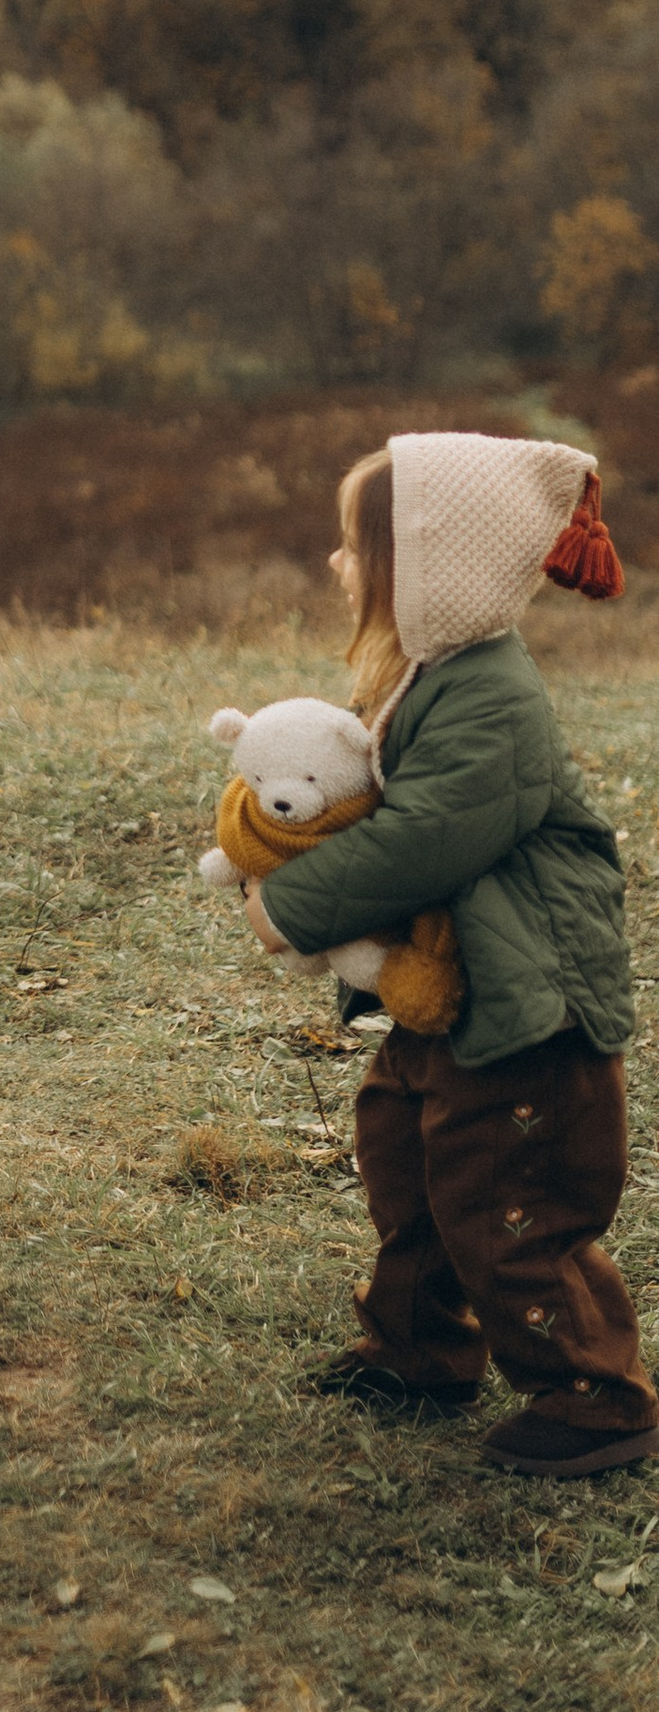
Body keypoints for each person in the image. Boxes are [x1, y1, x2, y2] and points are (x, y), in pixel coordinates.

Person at [253, 433, 653, 1476]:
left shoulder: (491, 695)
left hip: (529, 1004)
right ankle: (421, 1347)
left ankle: (594, 1396)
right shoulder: (429, 673)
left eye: (352, 547)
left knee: (504, 1196)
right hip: (457, 990)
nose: (337, 564)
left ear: (423, 568)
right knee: (407, 1155)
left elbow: (426, 837)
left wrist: (291, 903)